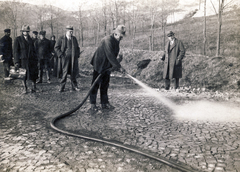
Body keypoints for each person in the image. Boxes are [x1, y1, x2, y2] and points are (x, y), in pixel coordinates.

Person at [89, 25, 126, 111]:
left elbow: (113, 55)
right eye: (120, 37)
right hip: (99, 64)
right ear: (115, 33)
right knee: (95, 84)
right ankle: (93, 104)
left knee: (105, 84)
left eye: (122, 37)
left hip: (107, 65)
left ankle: (104, 103)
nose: (121, 39)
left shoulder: (116, 40)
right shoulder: (107, 40)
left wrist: (118, 62)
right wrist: (119, 67)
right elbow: (110, 54)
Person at [54, 26, 80, 92]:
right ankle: (62, 87)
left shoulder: (74, 39)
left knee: (73, 72)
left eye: (72, 31)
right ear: (66, 31)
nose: (71, 33)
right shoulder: (61, 38)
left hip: (73, 59)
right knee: (64, 73)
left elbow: (77, 48)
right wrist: (61, 55)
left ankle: (74, 86)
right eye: (70, 31)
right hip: (64, 59)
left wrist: (77, 55)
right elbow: (56, 48)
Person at [14, 25, 38, 93]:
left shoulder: (31, 39)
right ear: (22, 32)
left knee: (33, 74)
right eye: (25, 31)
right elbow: (15, 51)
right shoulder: (18, 39)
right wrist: (16, 61)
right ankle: (25, 88)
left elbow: (34, 50)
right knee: (23, 74)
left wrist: (36, 59)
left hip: (31, 60)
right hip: (23, 60)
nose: (26, 33)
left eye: (27, 31)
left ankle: (34, 87)